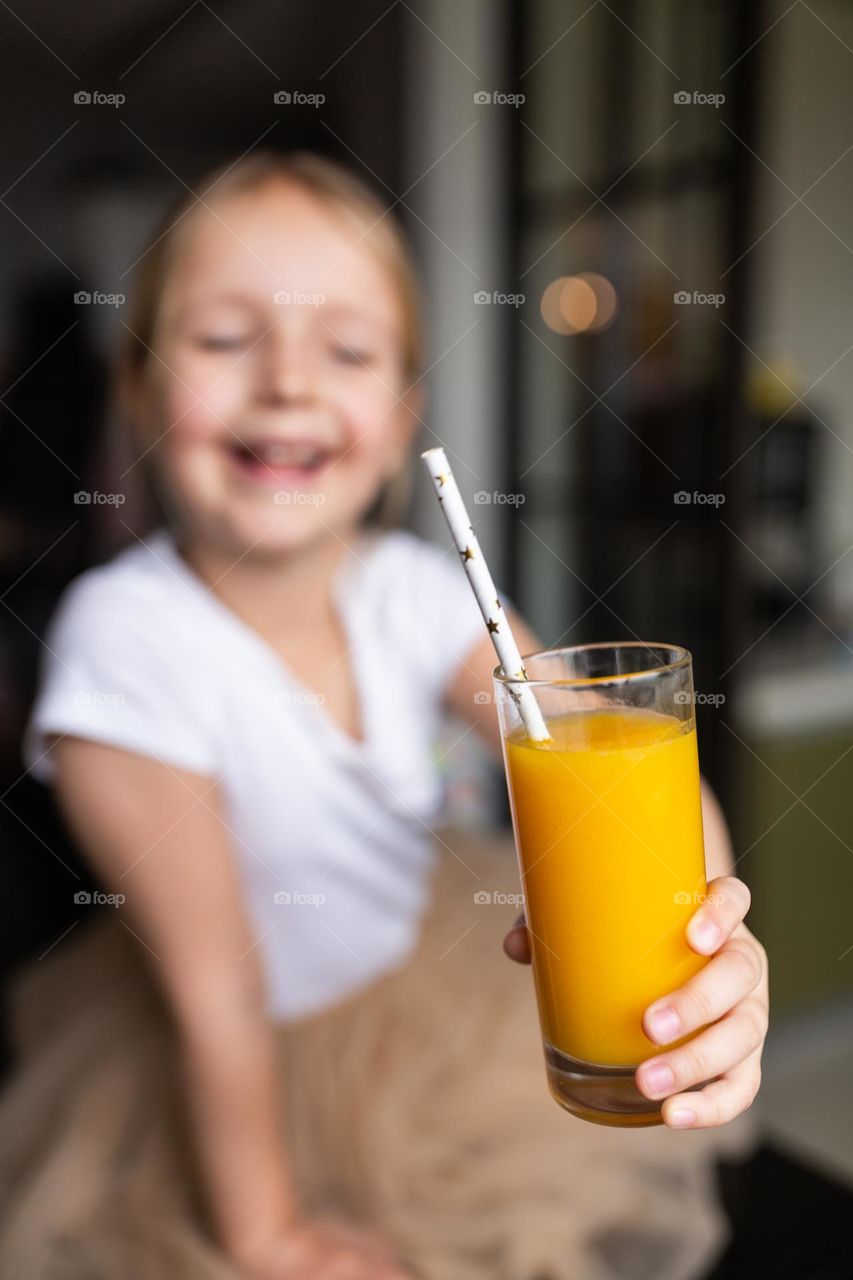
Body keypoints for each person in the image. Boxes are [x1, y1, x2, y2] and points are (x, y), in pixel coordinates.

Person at [2, 152, 767, 1280]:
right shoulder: (123, 643)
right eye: (225, 339)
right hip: (240, 1049)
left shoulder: (412, 590)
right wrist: (269, 1234)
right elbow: (220, 988)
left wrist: (706, 956)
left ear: (401, 414)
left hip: (429, 982)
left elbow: (618, 754)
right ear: (139, 388)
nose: (289, 382)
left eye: (346, 349)